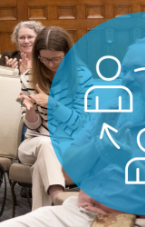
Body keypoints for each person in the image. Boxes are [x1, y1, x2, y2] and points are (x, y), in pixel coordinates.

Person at [3, 39, 145, 226]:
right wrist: (98, 145)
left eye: (138, 70)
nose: (128, 77)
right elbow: (67, 174)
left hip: (126, 220)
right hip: (80, 212)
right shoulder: (111, 112)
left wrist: (127, 162)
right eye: (125, 70)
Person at [14, 26, 93, 210]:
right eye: (45, 59)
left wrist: (52, 104)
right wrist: (30, 110)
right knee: (45, 144)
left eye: (56, 59)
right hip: (33, 142)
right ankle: (59, 198)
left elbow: (81, 123)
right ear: (38, 55)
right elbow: (33, 126)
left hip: (70, 146)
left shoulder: (82, 77)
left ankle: (42, 217)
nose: (50, 64)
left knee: (41, 165)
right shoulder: (28, 78)